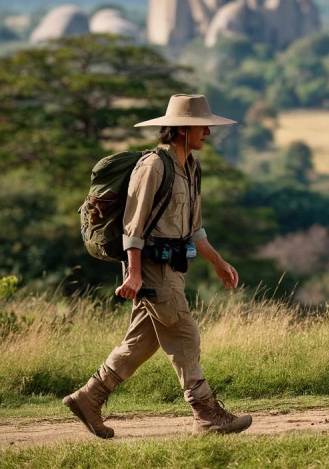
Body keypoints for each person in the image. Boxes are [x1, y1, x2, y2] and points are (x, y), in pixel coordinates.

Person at [63, 94, 252, 437]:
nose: (207, 132)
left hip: (173, 268)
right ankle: (207, 414)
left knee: (142, 342)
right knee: (183, 332)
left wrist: (219, 263)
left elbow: (195, 230)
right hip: (149, 268)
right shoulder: (152, 166)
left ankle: (89, 397)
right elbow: (132, 228)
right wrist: (134, 273)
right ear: (181, 129)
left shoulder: (191, 167)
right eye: (201, 126)